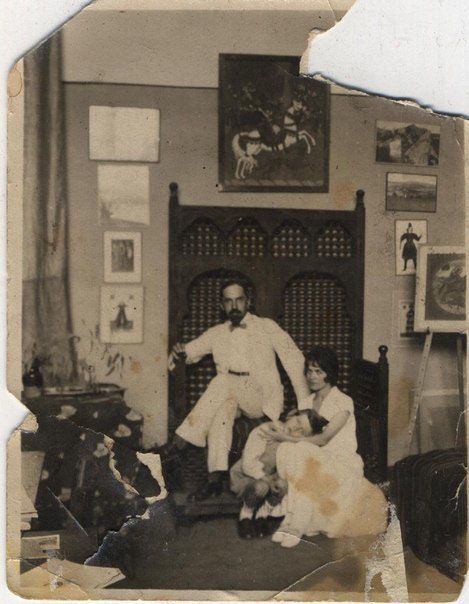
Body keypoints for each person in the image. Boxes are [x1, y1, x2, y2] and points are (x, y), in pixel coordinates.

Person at [168, 280, 310, 502]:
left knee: (222, 381)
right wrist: (178, 351)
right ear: (221, 305)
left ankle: (179, 441)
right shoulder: (217, 332)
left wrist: (305, 407)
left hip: (260, 398)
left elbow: (294, 361)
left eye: (239, 300)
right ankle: (215, 479)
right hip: (232, 397)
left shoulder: (267, 326)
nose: (234, 306)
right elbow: (187, 353)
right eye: (228, 301)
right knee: (221, 411)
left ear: (248, 302)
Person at [262, 347, 387, 548]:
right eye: (309, 371)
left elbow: (324, 438)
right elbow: (300, 437)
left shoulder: (342, 401)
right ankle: (291, 518)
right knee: (289, 449)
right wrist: (283, 436)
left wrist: (284, 437)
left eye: (318, 371)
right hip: (313, 461)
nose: (312, 376)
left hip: (341, 464)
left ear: (329, 374)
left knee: (298, 449)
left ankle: (297, 524)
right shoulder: (306, 402)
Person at [230, 408, 328, 540]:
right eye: (298, 421)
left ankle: (262, 514)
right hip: (247, 475)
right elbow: (248, 465)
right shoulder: (266, 430)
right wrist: (267, 480)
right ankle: (245, 515)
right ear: (291, 415)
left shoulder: (294, 442)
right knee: (261, 487)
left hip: (270, 478)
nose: (296, 429)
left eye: (302, 431)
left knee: (283, 485)